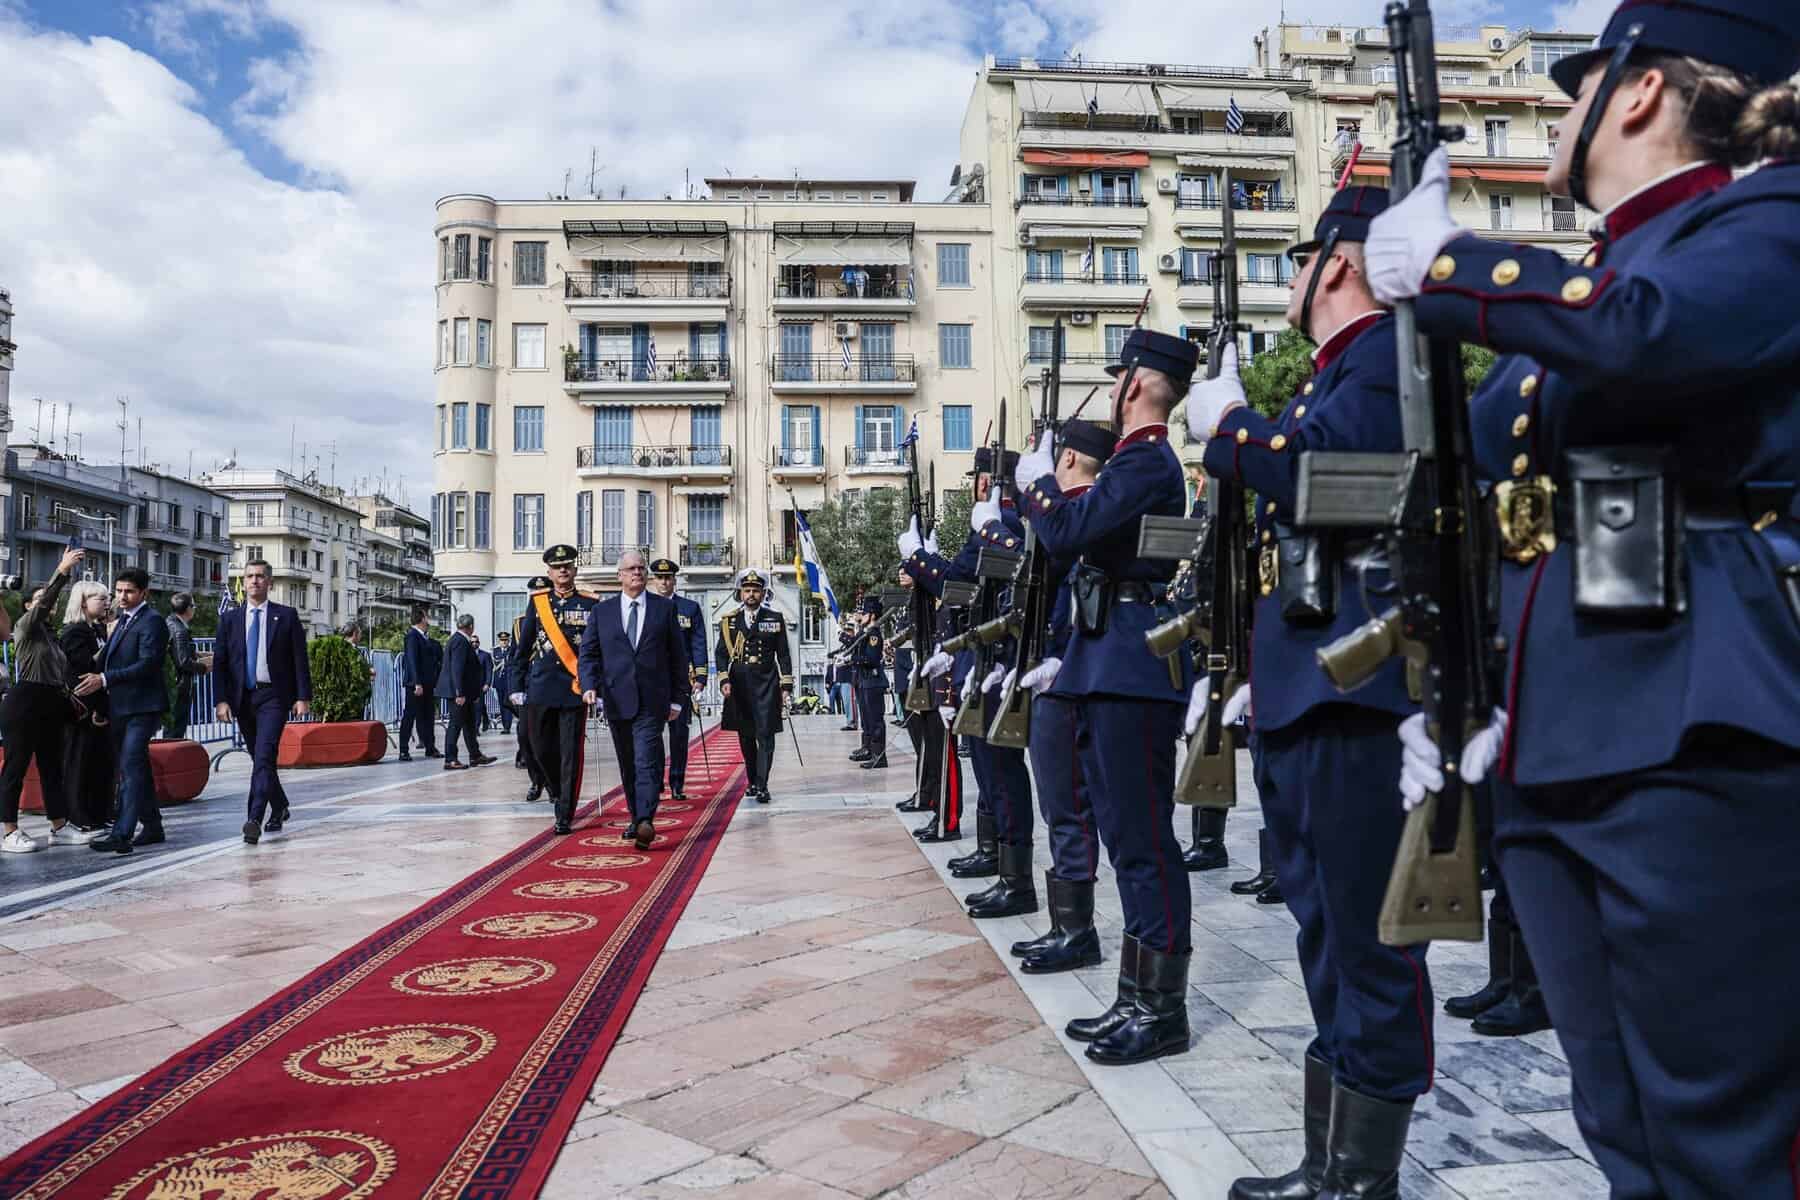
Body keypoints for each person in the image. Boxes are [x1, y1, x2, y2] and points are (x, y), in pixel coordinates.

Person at [1368, 4, 1800, 1192]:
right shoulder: (1593, 280)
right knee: (1620, 1126)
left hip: (1695, 735)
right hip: (1558, 740)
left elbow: (1650, 337)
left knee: (1720, 1137)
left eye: (1576, 92)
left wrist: (1453, 262)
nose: (1562, 119)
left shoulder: (1766, 219)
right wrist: (1468, 692)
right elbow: (1514, 506)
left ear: (1643, 89)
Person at [1186, 186, 1432, 1196]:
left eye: (1298, 261)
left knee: (1367, 940)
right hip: (1309, 688)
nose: (1289, 282)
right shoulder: (1334, 375)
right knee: (1323, 930)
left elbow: (1320, 477)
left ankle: (1362, 1178)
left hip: (1357, 695)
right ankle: (1331, 1163)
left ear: (1336, 262)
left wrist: (1232, 426)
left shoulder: (1382, 360)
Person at [1009, 327, 1195, 1065]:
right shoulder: (1134, 461)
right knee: (1124, 840)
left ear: (1135, 384)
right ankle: (1135, 993)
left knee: (1145, 844)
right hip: (1106, 659)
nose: (1112, 388)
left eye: (1119, 377)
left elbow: (1067, 533)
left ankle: (1162, 1008)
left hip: (1130, 666)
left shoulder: (1146, 461)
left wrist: (1040, 485)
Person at [902, 445, 1034, 907]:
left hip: (995, 659)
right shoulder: (997, 525)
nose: (978, 486)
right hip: (980, 656)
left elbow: (953, 583)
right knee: (987, 763)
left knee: (999, 768)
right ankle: (995, 854)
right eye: (978, 479)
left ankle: (1014, 875)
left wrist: (918, 557)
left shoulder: (1003, 525)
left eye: (983, 479)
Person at [1004, 418, 1112, 973]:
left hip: (1069, 675)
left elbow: (1078, 591)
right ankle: (1065, 923)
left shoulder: (1084, 512)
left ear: (1067, 459)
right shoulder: (1069, 514)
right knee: (1057, 803)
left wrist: (1059, 656)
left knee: (1069, 804)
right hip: (1053, 671)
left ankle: (1077, 931)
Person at [579, 550, 689, 850]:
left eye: (641, 568)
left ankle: (645, 820)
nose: (637, 573)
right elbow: (588, 653)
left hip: (653, 700)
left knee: (646, 760)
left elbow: (678, 657)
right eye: (630, 569)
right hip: (617, 699)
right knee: (628, 762)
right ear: (620, 576)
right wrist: (588, 685)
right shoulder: (602, 612)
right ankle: (635, 815)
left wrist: (678, 698)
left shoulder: (663, 609)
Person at [0, 548, 99, 854]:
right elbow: (44, 603)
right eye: (41, 599)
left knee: (52, 767)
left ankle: (59, 826)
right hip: (25, 702)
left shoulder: (50, 636)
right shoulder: (26, 627)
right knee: (15, 767)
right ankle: (9, 831)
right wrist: (62, 570)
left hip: (50, 702)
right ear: (28, 606)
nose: (49, 603)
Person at [211, 559, 311, 845]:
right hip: (243, 698)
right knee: (260, 759)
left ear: (270, 582)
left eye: (260, 576)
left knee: (265, 755)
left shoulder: (286, 616)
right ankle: (279, 805)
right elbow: (220, 663)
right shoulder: (230, 619)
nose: (254, 581)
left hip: (274, 697)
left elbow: (299, 659)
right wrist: (221, 700)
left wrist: (303, 696)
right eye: (249, 576)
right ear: (243, 582)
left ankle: (253, 818)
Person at [77, 568, 169, 854]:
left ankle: (122, 833)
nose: (122, 596)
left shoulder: (152, 621)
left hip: (143, 707)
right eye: (118, 591)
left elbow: (148, 664)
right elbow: (106, 660)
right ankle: (152, 826)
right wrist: (101, 704)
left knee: (130, 766)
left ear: (144, 593)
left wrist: (104, 680)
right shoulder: (123, 620)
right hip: (119, 706)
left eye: (129, 591)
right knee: (136, 767)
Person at [508, 546, 597, 835]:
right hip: (541, 687)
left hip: (573, 689)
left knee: (570, 753)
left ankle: (564, 812)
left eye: (567, 566)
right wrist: (516, 685)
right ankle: (556, 790)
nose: (563, 571)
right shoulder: (539, 603)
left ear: (574, 570)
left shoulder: (589, 603)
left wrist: (596, 685)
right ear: (549, 572)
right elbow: (523, 650)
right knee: (539, 748)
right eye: (557, 567)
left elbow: (595, 651)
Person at [714, 569, 790, 804]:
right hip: (740, 685)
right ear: (740, 593)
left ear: (763, 593)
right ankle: (752, 781)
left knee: (766, 735)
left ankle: (763, 785)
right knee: (746, 736)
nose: (751, 595)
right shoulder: (729, 621)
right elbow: (721, 654)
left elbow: (783, 654)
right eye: (747, 590)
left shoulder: (774, 618)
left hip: (767, 683)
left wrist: (786, 684)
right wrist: (724, 680)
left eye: (756, 590)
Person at [646, 557, 707, 800]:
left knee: (679, 734)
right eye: (660, 578)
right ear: (654, 581)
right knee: (652, 733)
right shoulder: (645, 606)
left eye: (668, 578)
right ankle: (656, 779)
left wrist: (700, 676)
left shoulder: (689, 608)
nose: (664, 582)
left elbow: (698, 643)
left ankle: (677, 782)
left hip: (681, 680)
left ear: (674, 581)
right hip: (653, 680)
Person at [60, 579, 117, 834]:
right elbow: (85, 669)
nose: (107, 603)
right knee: (80, 763)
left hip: (100, 706)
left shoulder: (96, 629)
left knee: (101, 763)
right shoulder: (74, 632)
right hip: (83, 710)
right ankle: (79, 814)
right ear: (83, 602)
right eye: (101, 599)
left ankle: (101, 812)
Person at [511, 579, 553, 803]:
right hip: (529, 686)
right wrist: (515, 688)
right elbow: (516, 657)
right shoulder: (520, 624)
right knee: (525, 736)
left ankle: (553, 784)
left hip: (553, 684)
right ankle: (536, 780)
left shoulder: (559, 616)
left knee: (551, 739)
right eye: (535, 591)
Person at [436, 614, 491, 770]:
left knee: (469, 725)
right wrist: (459, 693)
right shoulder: (460, 641)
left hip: (465, 692)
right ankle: (450, 759)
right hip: (458, 693)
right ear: (471, 626)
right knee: (455, 725)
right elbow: (457, 668)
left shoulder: (459, 640)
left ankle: (475, 755)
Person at [846, 596, 887, 769]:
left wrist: (852, 659)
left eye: (863, 613)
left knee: (875, 720)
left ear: (872, 615)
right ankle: (868, 748)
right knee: (866, 719)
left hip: (873, 681)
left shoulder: (874, 634)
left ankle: (879, 755)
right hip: (865, 680)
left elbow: (871, 659)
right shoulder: (865, 633)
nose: (860, 616)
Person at [398, 605, 442, 760]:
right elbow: (412, 660)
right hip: (416, 684)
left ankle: (430, 747)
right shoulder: (412, 636)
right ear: (422, 619)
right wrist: (417, 683)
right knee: (410, 716)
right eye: (426, 617)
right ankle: (403, 750)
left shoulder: (425, 637)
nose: (428, 620)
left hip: (427, 684)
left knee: (428, 716)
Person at [163, 592, 206, 740]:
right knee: (176, 727)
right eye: (193, 606)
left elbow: (177, 651)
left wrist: (198, 654)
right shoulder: (179, 630)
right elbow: (183, 661)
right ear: (188, 609)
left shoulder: (170, 622)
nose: (194, 609)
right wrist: (204, 667)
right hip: (179, 685)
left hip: (173, 683)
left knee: (173, 726)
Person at [492, 630, 515, 735]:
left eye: (506, 640)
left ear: (508, 641)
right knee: (501, 704)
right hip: (499, 682)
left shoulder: (512, 650)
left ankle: (507, 727)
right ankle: (504, 725)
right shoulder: (495, 651)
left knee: (507, 704)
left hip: (509, 681)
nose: (504, 642)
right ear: (499, 641)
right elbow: (494, 665)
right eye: (502, 640)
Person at [475, 634, 495, 733]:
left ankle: (476, 728)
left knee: (478, 706)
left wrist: (487, 683)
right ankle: (485, 719)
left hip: (481, 685)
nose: (474, 644)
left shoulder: (485, 655)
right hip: (469, 685)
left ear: (479, 643)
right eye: (472, 642)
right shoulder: (466, 653)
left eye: (476, 642)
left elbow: (489, 670)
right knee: (478, 705)